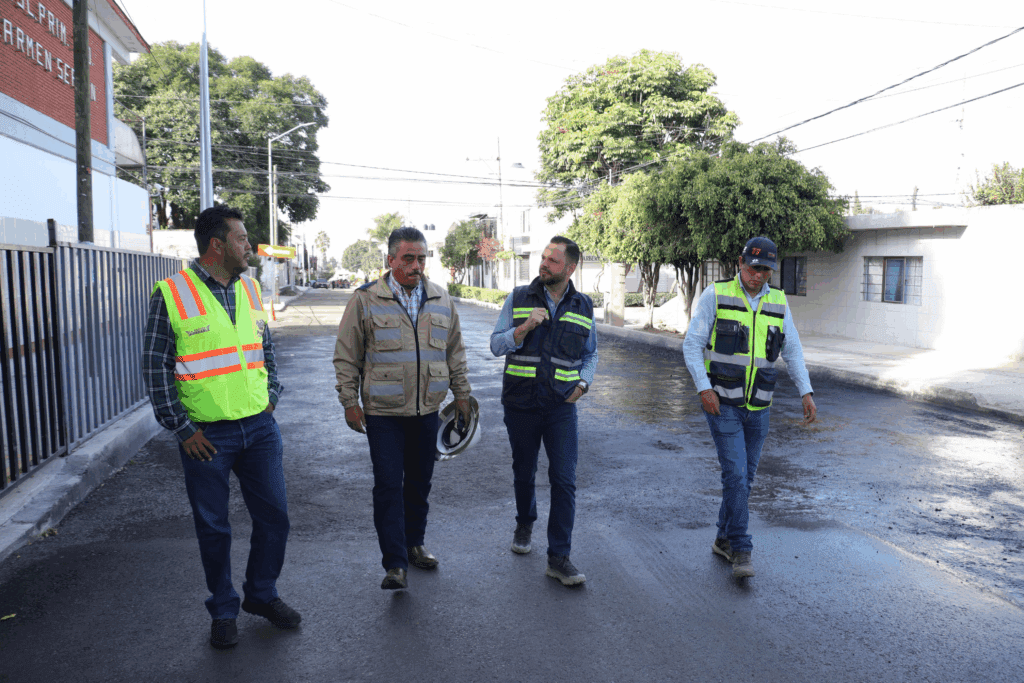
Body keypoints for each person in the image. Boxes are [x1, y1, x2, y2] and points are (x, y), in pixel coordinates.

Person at [142, 205, 300, 650]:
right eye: (242, 239)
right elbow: (155, 367)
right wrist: (182, 429)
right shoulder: (172, 294)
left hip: (259, 428)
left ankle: (262, 595)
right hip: (206, 436)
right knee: (214, 528)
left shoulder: (249, 288)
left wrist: (272, 396)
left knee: (275, 518)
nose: (249, 246)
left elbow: (265, 350)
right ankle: (224, 610)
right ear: (217, 245)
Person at [334, 227, 473, 590]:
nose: (416, 266)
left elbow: (455, 353)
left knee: (419, 483)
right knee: (387, 487)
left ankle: (415, 544)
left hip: (427, 410)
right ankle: (395, 563)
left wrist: (462, 395)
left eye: (421, 258)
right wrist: (349, 402)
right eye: (408, 258)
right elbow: (347, 355)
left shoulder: (441, 299)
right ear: (391, 260)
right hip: (383, 414)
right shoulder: (365, 300)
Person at [683, 236, 817, 579]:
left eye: (766, 270)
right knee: (736, 475)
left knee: (745, 478)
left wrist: (805, 391)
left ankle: (723, 538)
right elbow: (692, 345)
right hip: (722, 403)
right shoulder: (716, 294)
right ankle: (741, 548)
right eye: (754, 268)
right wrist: (703, 388)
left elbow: (792, 351)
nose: (758, 275)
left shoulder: (778, 300)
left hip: (760, 405)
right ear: (740, 263)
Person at [490, 236, 598, 587]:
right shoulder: (519, 297)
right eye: (544, 257)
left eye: (553, 260)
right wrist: (524, 328)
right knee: (524, 471)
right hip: (520, 403)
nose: (544, 264)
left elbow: (591, 353)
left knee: (564, 480)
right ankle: (525, 521)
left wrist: (583, 385)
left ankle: (558, 557)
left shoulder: (583, 305)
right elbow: (495, 345)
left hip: (561, 407)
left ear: (570, 268)